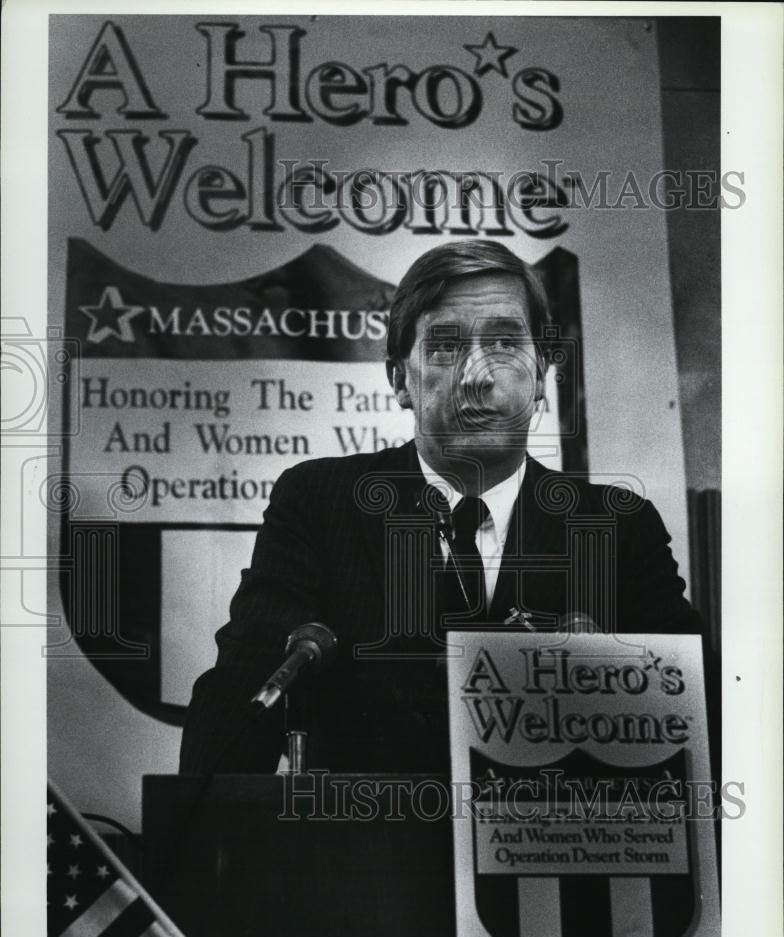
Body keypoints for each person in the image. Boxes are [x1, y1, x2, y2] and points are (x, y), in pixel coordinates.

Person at [180, 239, 702, 775]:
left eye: (505, 343)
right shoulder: (318, 503)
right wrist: (202, 849)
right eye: (445, 348)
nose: (477, 376)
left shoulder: (618, 528)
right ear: (400, 381)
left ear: (543, 373)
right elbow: (241, 699)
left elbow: (696, 717)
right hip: (363, 849)